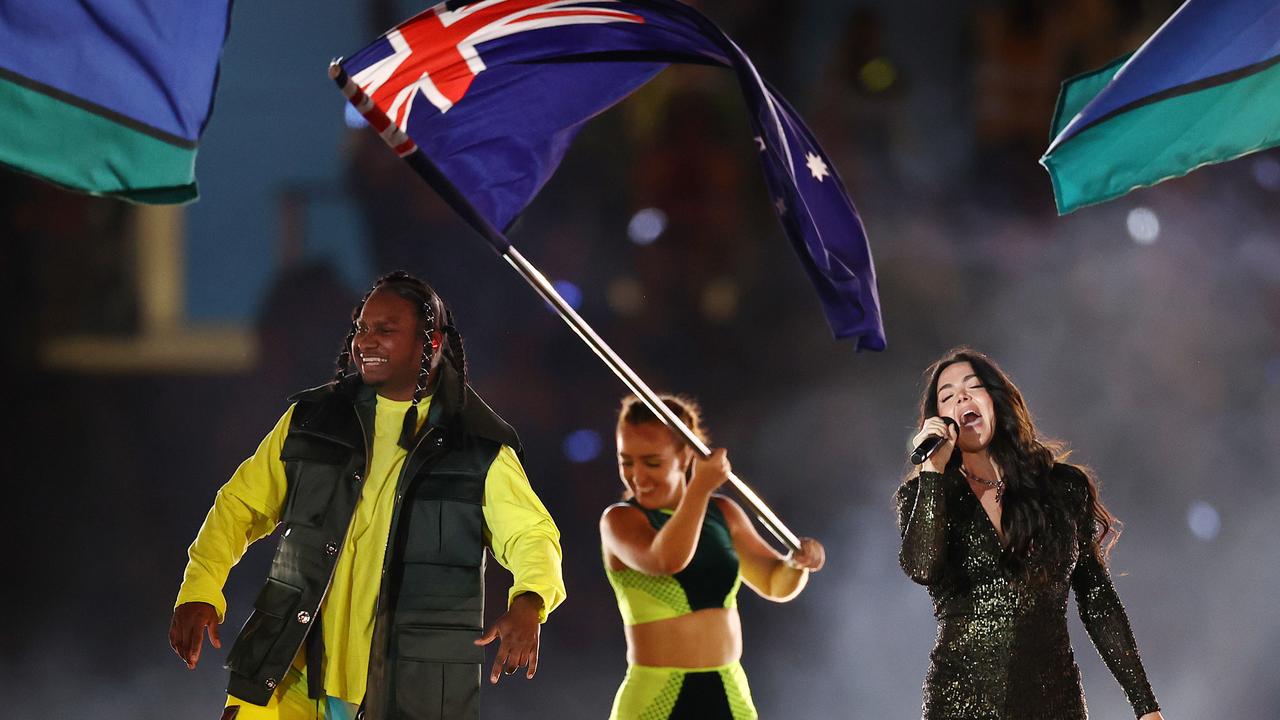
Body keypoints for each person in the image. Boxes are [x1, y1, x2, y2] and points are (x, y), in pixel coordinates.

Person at [169, 271, 566, 720]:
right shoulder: (312, 420)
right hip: (287, 676)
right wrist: (200, 588)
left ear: (432, 343)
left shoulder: (476, 447)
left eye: (385, 330)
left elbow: (533, 536)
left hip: (405, 691)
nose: (365, 341)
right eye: (361, 328)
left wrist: (530, 601)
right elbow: (239, 506)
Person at [896, 347, 1164, 720]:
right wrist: (931, 474)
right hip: (961, 703)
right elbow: (921, 567)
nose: (961, 396)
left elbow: (1097, 597)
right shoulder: (927, 494)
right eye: (947, 395)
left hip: (1053, 700)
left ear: (996, 400)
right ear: (939, 419)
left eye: (973, 387)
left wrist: (1145, 705)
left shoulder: (1062, 488)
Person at [600, 394, 826, 719]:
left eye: (651, 462)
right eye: (626, 461)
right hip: (656, 699)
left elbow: (775, 584)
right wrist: (699, 489)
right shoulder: (620, 521)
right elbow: (666, 560)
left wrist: (796, 564)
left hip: (729, 692)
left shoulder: (723, 513)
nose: (637, 476)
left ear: (686, 455)